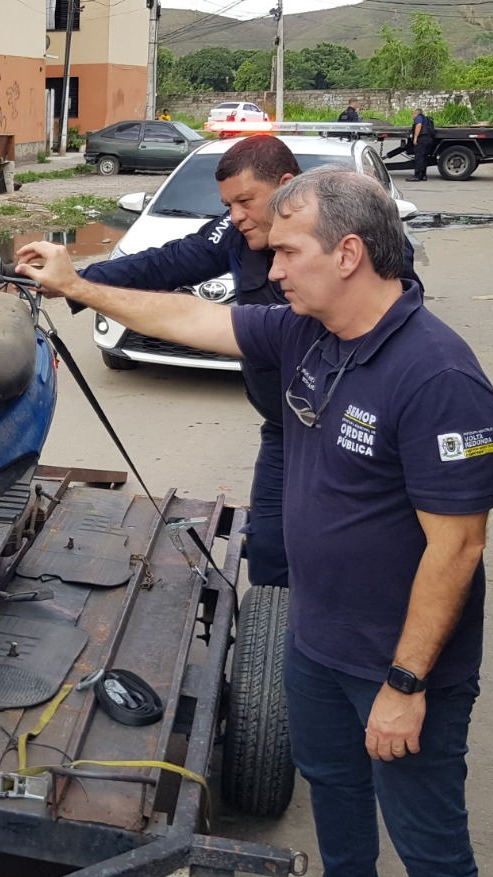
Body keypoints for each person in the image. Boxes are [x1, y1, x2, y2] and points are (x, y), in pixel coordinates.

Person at [14, 167, 493, 877]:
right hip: (313, 640)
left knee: (428, 844)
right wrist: (77, 284)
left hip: (394, 664)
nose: (269, 272)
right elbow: (187, 319)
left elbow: (458, 547)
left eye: (285, 254)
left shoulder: (438, 378)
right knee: (335, 793)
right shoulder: (309, 332)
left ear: (347, 254)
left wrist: (405, 684)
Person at [61, 135, 420, 589]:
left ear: (287, 186)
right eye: (228, 204)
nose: (235, 215)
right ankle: (272, 631)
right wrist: (74, 282)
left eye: (245, 200)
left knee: (350, 556)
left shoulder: (365, 245)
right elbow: (167, 264)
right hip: (285, 426)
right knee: (270, 547)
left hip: (353, 430)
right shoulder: (239, 232)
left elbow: (394, 324)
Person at [410, 107, 435, 181]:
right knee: (424, 158)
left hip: (422, 139)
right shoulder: (427, 119)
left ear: (416, 113)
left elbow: (419, 125)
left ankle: (417, 176)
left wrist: (415, 138)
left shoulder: (419, 118)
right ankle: (423, 176)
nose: (412, 116)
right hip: (429, 139)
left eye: (413, 114)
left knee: (419, 157)